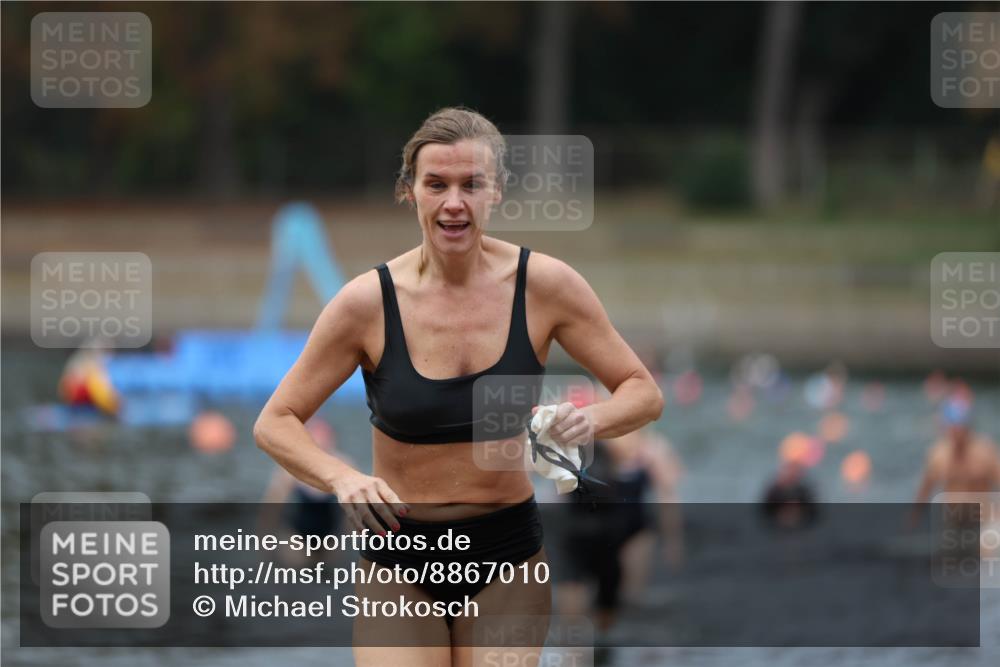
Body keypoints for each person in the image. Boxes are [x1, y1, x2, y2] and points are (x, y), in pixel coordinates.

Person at [253, 107, 664, 667]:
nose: (454, 202)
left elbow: (643, 390)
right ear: (409, 192)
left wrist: (589, 421)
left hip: (506, 555)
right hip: (397, 555)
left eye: (472, 184)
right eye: (437, 184)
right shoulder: (365, 304)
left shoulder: (546, 287)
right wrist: (341, 477)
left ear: (495, 193)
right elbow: (275, 421)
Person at [557, 427, 683, 632]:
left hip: (631, 528)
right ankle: (585, 643)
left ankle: (608, 639)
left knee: (627, 597)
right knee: (581, 595)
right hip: (590, 529)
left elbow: (668, 493)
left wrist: (673, 540)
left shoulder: (653, 447)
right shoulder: (590, 443)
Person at [909, 397, 1000, 555]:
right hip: (953, 520)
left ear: (968, 427)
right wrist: (914, 517)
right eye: (953, 427)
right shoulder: (938, 454)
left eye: (961, 426)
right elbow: (925, 488)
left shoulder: (985, 451)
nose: (957, 431)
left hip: (982, 518)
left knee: (986, 550)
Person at [257, 418, 352, 567]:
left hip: (330, 536)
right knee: (298, 572)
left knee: (328, 576)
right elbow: (272, 506)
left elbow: (354, 509)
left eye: (325, 437)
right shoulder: (291, 466)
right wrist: (265, 540)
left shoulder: (344, 465)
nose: (321, 442)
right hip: (297, 534)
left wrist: (348, 539)